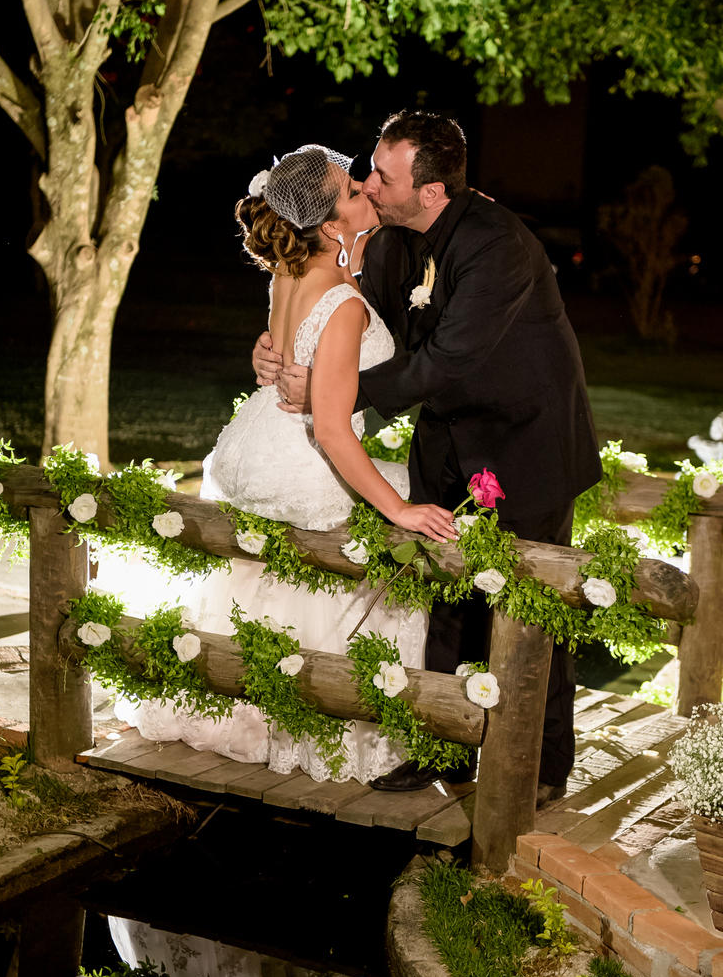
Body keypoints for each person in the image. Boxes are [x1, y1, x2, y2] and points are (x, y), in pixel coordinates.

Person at [253, 112, 602, 799]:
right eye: (368, 172)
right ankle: (440, 751)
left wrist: (334, 394)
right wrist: (279, 351)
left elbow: (445, 360)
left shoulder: (496, 245)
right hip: (445, 438)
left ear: (431, 190)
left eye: (382, 176)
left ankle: (543, 765)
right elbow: (366, 325)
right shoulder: (390, 244)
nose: (368, 184)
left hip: (525, 443)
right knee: (441, 595)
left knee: (531, 604)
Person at [114, 143, 456, 784]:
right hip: (305, 456)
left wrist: (265, 356)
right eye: (353, 191)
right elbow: (331, 429)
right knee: (386, 532)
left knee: (261, 582)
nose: (367, 192)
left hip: (260, 439)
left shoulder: (287, 271)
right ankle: (319, 719)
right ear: (330, 226)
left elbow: (282, 347)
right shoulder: (346, 305)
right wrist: (399, 507)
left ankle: (239, 702)